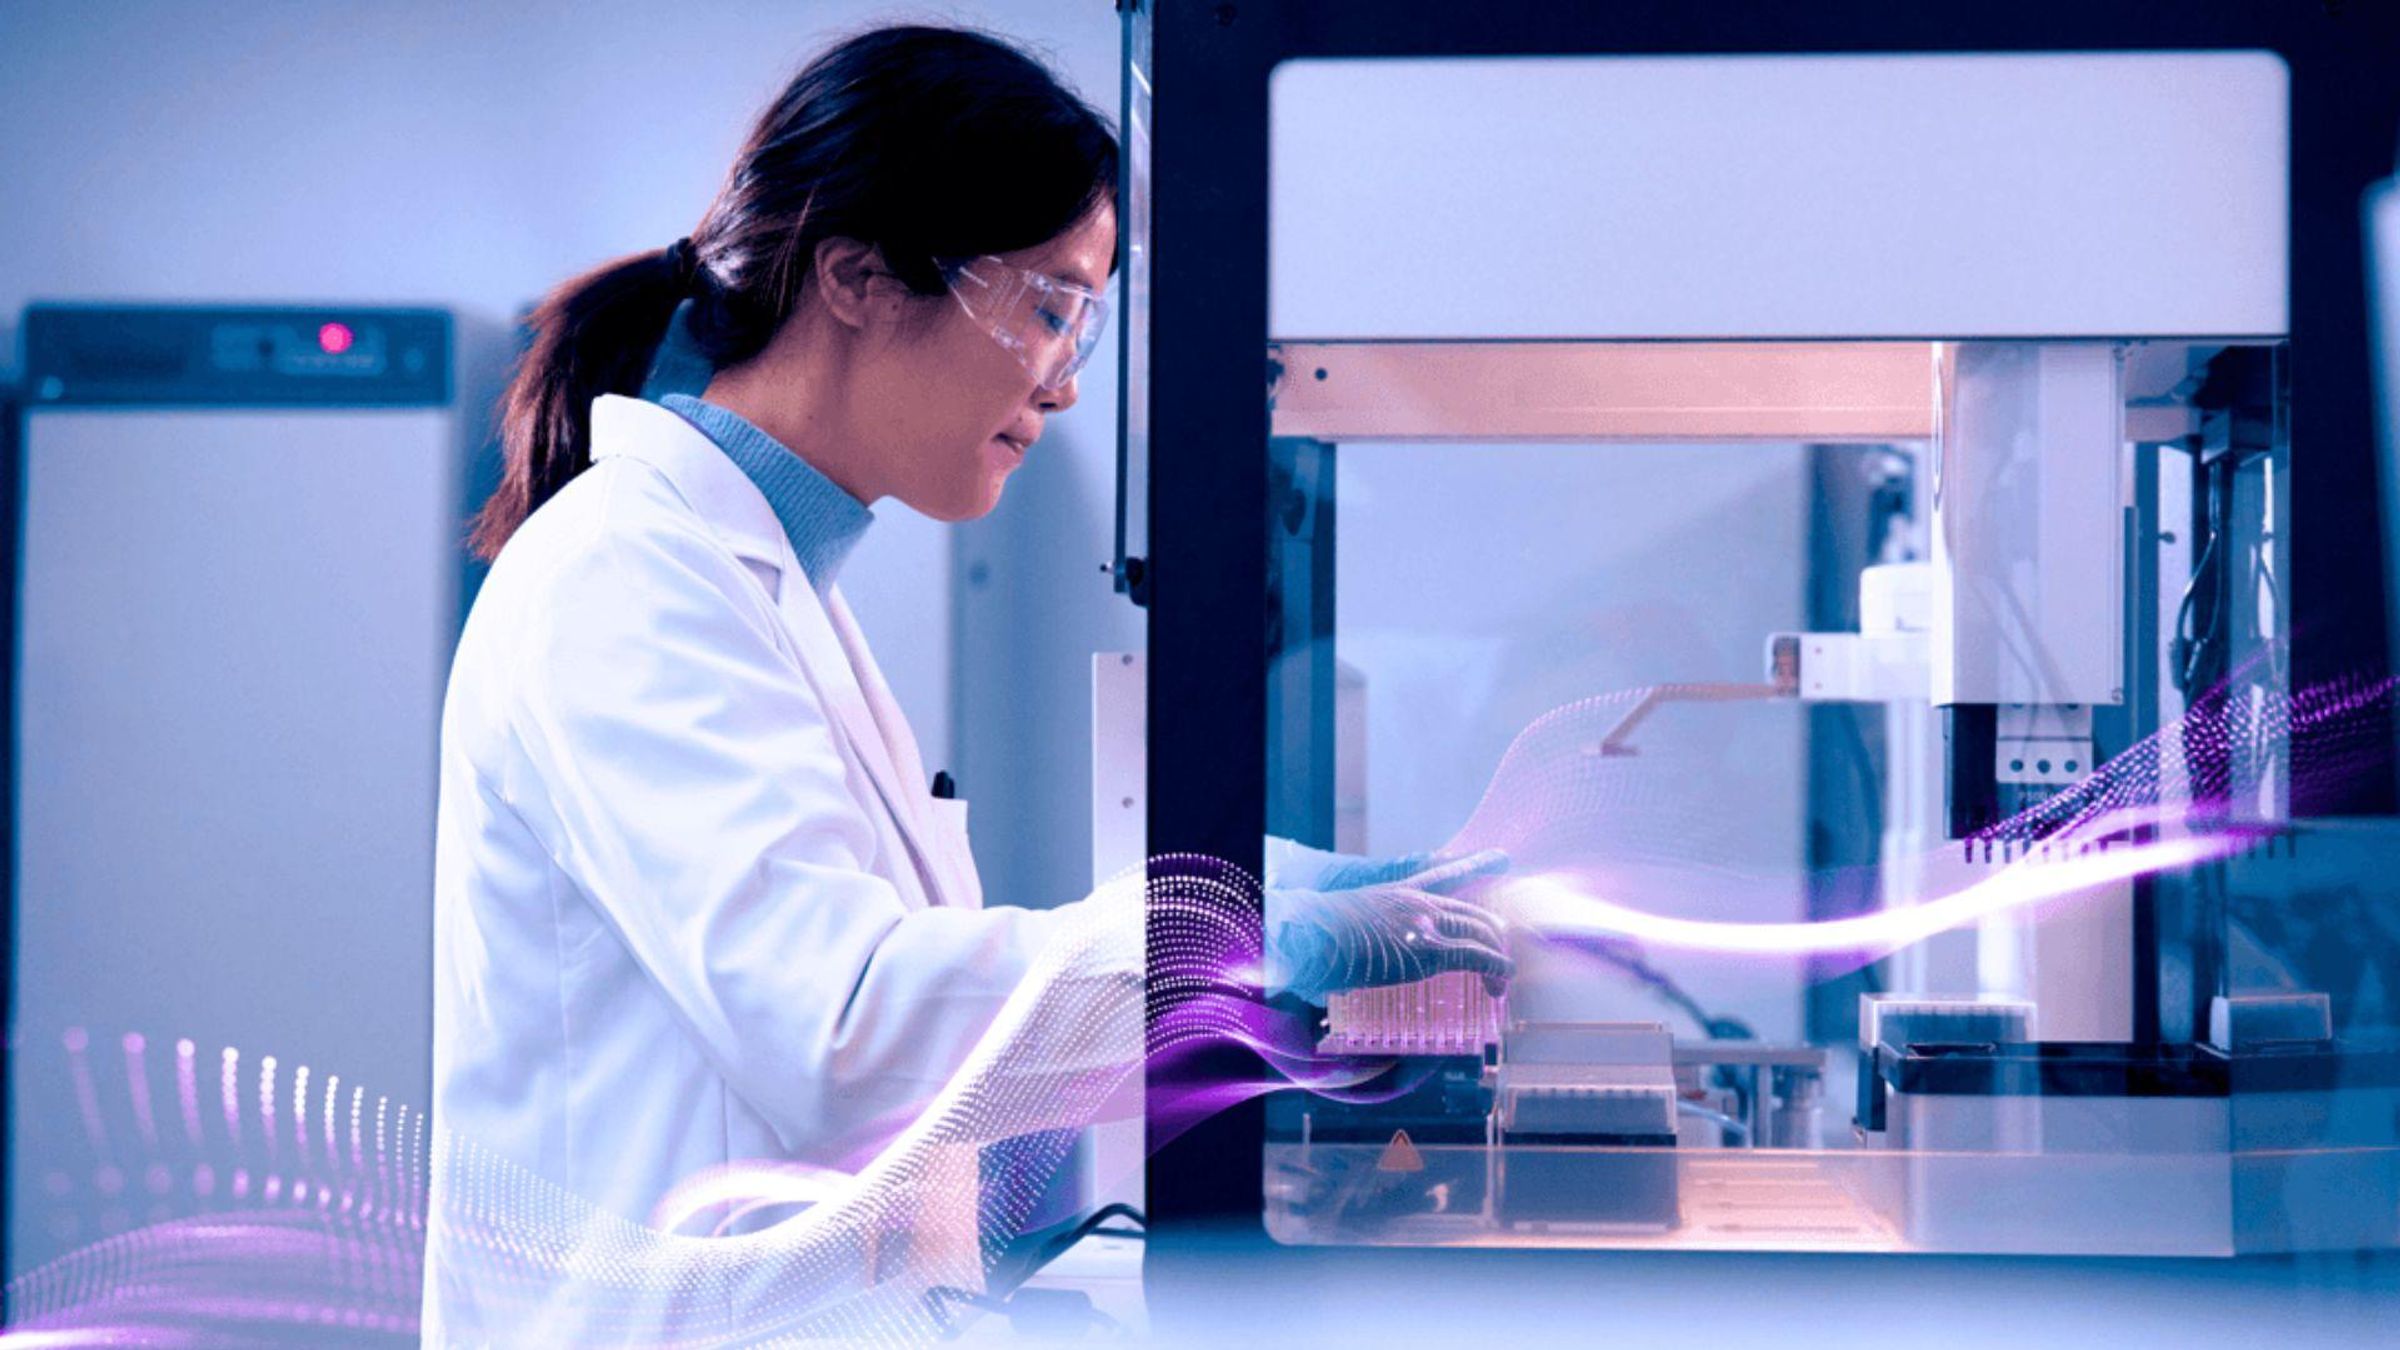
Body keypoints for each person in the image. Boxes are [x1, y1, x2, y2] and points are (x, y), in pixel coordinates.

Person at [425, 22, 1509, 1339]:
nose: (1063, 386)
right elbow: (845, 1030)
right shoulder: (625, 574)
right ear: (858, 276)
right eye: (1049, 308)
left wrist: (1243, 935)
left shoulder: (775, 592)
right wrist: (1218, 925)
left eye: (1083, 325)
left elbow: (893, 1053)